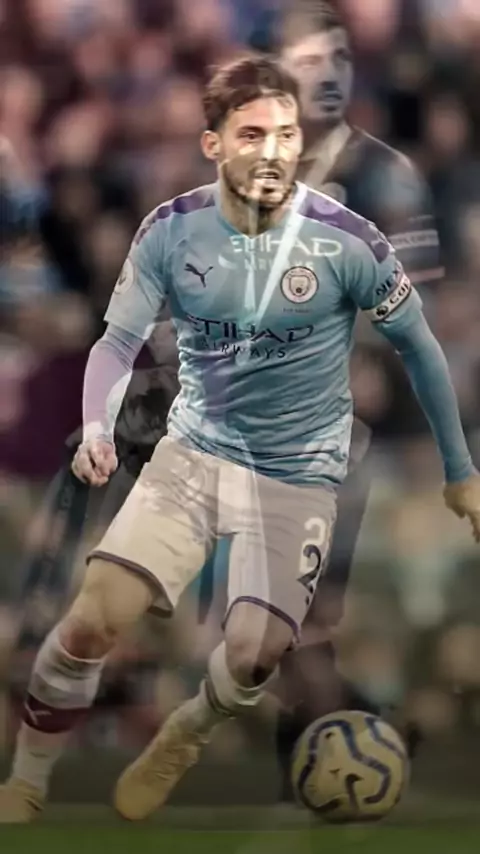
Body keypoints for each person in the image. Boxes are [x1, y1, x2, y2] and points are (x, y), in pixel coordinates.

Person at [1, 54, 479, 825]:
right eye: (252, 134)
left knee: (255, 654)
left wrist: (461, 472)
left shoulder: (345, 240)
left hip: (297, 476)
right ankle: (26, 780)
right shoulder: (171, 231)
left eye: (286, 134)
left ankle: (187, 732)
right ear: (214, 144)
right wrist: (95, 425)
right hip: (194, 458)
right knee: (93, 617)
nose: (272, 150)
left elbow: (421, 348)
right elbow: (116, 343)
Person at [272, 0, 446, 791]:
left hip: (365, 430)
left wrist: (361, 353)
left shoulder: (383, 172)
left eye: (334, 58)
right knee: (284, 616)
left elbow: (416, 294)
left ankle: (357, 735)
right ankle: (336, 740)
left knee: (333, 609)